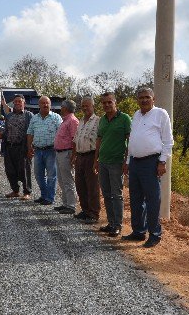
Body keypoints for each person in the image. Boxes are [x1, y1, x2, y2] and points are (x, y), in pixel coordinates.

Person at [122, 87, 174, 248]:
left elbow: (168, 141)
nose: (144, 100)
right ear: (137, 100)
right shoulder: (136, 115)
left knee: (152, 200)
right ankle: (138, 231)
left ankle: (155, 234)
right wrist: (128, 162)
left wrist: (162, 162)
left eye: (147, 97)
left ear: (153, 99)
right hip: (135, 162)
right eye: (141, 98)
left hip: (151, 162)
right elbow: (132, 141)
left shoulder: (160, 114)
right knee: (136, 199)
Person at [95, 92, 132, 237]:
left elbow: (130, 141)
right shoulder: (102, 120)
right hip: (102, 162)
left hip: (117, 162)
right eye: (104, 103)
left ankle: (118, 225)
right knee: (106, 194)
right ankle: (110, 223)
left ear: (115, 102)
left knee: (116, 195)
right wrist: (95, 160)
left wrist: (126, 161)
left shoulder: (125, 119)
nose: (107, 105)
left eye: (109, 102)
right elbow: (99, 140)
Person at [27, 96, 62, 205]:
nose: (45, 105)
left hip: (51, 151)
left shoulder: (56, 117)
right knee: (38, 175)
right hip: (37, 151)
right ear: (39, 105)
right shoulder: (34, 118)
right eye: (43, 103)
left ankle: (50, 198)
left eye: (47, 103)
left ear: (50, 105)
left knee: (52, 176)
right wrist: (29, 148)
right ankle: (44, 195)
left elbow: (61, 134)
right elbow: (30, 133)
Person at [71, 96, 101, 224]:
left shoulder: (98, 121)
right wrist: (74, 156)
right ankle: (85, 210)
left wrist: (96, 159)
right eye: (83, 106)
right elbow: (75, 140)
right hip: (80, 156)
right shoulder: (81, 121)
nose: (84, 108)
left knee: (92, 186)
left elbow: (100, 141)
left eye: (87, 105)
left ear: (93, 106)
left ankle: (93, 213)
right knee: (80, 185)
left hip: (91, 156)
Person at [0, 96, 33, 199]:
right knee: (10, 170)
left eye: (19, 101)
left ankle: (27, 192)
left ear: (23, 103)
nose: (17, 103)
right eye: (15, 101)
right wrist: (2, 135)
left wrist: (31, 147)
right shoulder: (9, 116)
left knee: (24, 170)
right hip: (9, 147)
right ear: (13, 103)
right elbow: (7, 131)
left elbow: (32, 132)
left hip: (22, 148)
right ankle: (15, 191)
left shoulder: (29, 115)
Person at [53, 99, 79, 214]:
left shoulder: (72, 121)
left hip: (67, 153)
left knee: (68, 180)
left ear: (66, 108)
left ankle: (71, 205)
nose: (60, 108)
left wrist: (73, 155)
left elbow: (75, 139)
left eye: (62, 106)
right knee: (62, 179)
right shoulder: (65, 120)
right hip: (60, 153)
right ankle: (65, 203)